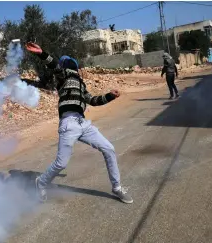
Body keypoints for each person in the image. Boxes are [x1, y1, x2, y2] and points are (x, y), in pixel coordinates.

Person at [25, 42, 133, 204]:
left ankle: (116, 187)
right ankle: (40, 182)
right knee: (61, 163)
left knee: (109, 148)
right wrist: (41, 53)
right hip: (69, 123)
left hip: (83, 123)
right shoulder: (63, 77)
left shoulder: (81, 84)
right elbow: (54, 65)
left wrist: (110, 96)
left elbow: (93, 101)